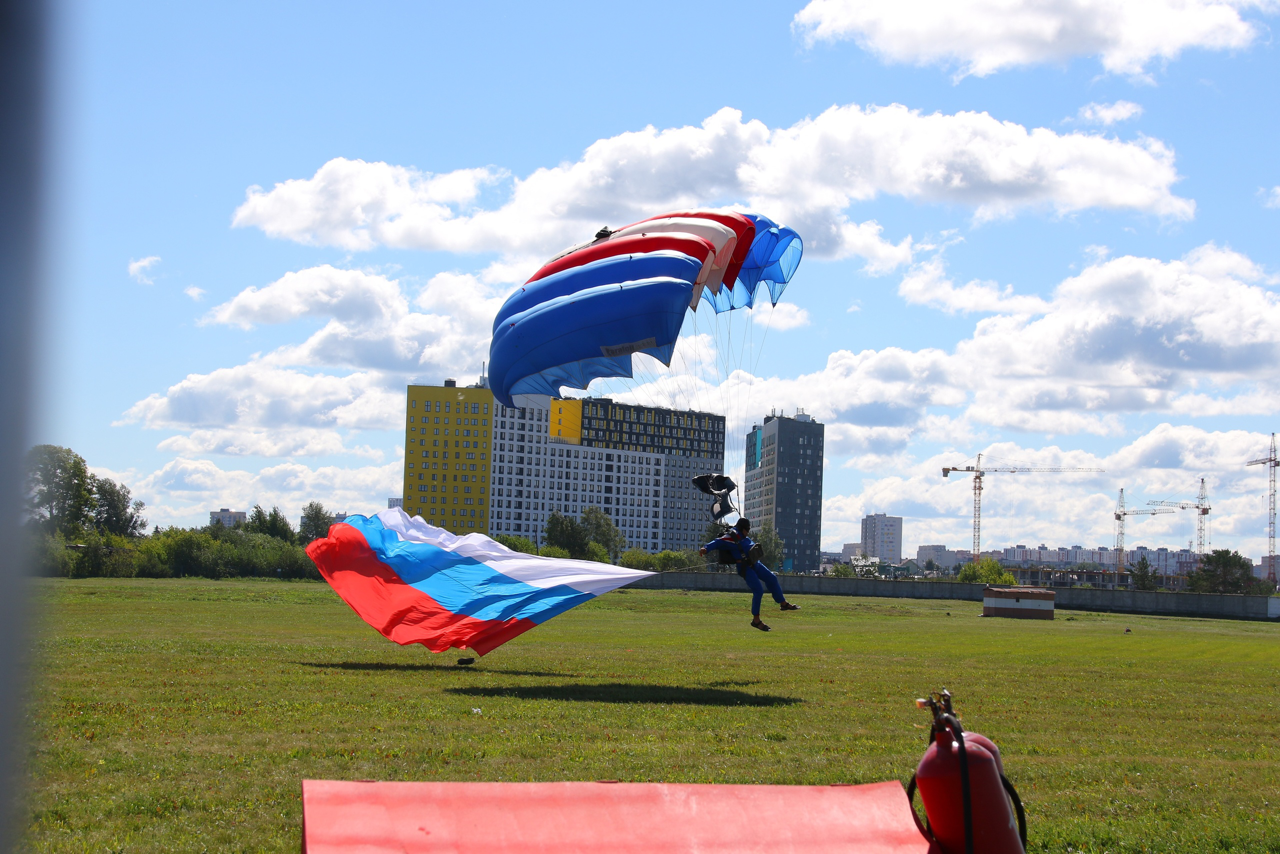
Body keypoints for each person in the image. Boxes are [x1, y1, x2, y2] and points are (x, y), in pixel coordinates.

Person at [700, 518, 799, 631]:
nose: (748, 532)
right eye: (747, 530)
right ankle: (756, 620)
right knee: (758, 590)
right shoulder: (731, 537)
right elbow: (717, 542)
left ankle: (783, 603)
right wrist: (705, 548)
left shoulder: (743, 536)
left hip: (755, 563)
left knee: (772, 578)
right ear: (742, 529)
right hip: (745, 567)